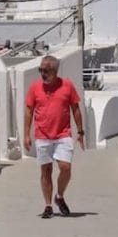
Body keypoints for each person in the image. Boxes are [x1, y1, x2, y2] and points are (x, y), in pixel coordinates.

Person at [23, 55, 85, 218]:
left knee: (66, 168)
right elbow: (29, 111)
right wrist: (26, 135)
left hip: (63, 134)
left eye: (46, 70)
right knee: (46, 171)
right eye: (40, 70)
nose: (42, 73)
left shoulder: (67, 86)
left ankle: (59, 196)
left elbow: (75, 108)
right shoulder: (35, 87)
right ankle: (48, 205)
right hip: (42, 135)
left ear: (55, 71)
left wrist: (80, 131)